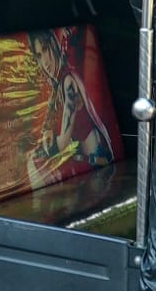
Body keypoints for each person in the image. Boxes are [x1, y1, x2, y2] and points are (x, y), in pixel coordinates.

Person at [26, 28, 114, 186]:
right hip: (87, 164)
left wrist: (42, 151)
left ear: (53, 45)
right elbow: (49, 123)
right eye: (39, 55)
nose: (45, 61)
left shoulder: (68, 83)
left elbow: (63, 142)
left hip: (98, 162)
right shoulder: (58, 85)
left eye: (45, 50)